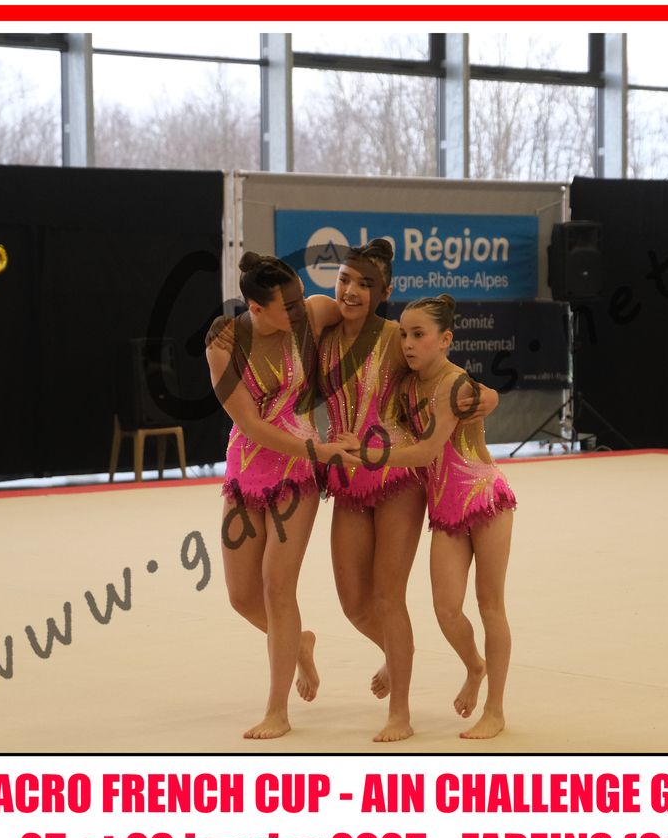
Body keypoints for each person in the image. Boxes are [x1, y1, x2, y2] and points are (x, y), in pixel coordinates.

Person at [317, 242, 497, 743]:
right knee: (354, 604)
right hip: (349, 476)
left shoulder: (397, 337)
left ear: (385, 291)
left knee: (387, 596)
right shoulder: (323, 335)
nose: (351, 291)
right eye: (345, 280)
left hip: (397, 474)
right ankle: (395, 656)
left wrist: (489, 395)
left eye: (365, 284)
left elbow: (451, 374)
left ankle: (400, 712)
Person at [205, 251, 356, 740]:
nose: (298, 310)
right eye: (286, 306)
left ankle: (277, 710)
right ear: (255, 307)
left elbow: (360, 316)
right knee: (241, 597)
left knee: (276, 585)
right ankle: (299, 643)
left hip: (298, 469)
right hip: (249, 466)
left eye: (298, 299)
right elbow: (251, 424)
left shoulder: (311, 313)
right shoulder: (224, 346)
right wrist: (321, 449)